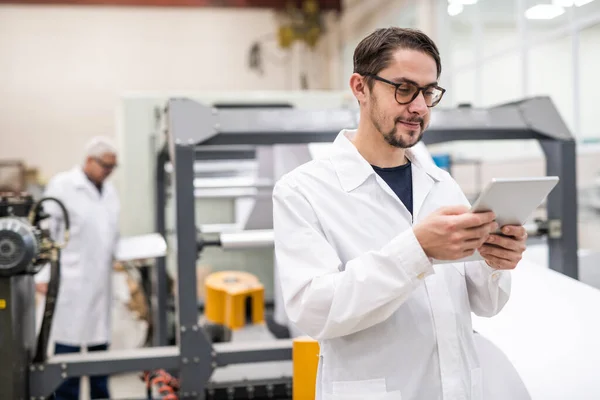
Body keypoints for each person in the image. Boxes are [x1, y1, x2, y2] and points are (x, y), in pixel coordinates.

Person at [272, 27, 528, 400]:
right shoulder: (302, 191)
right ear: (361, 88)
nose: (420, 106)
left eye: (428, 92)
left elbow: (487, 304)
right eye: (404, 89)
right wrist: (417, 249)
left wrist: (495, 262)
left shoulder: (441, 184)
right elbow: (316, 311)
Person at [35, 136, 121, 400]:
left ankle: (100, 395)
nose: (108, 172)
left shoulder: (109, 191)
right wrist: (43, 274)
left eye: (112, 167)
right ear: (88, 161)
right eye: (105, 166)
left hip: (100, 281)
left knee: (99, 348)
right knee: (67, 348)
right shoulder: (63, 186)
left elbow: (110, 233)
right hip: (70, 280)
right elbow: (46, 233)